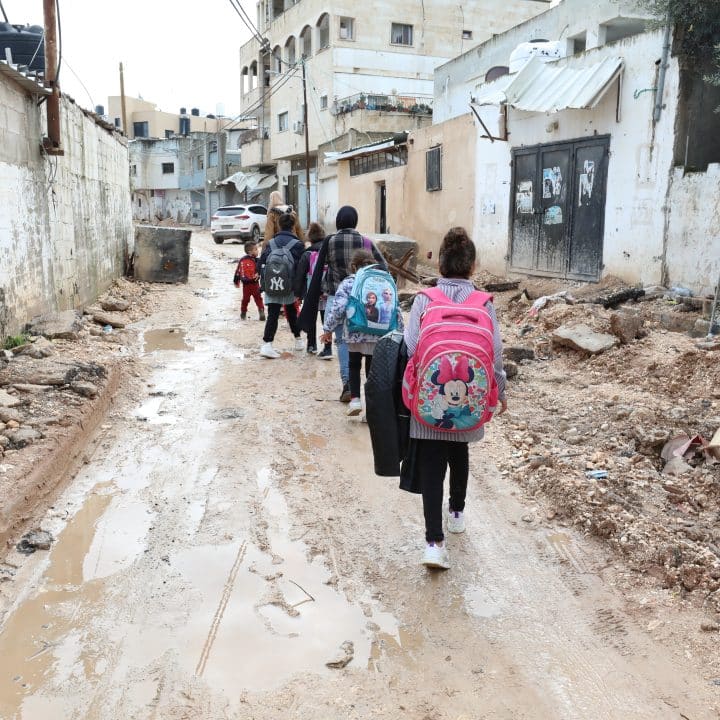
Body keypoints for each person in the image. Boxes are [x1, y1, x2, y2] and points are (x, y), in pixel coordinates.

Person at [403, 227, 507, 570]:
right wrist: (500, 393)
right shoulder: (485, 304)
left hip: (430, 401)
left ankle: (434, 544)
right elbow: (494, 356)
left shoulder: (424, 299)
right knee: (458, 452)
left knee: (432, 467)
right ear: (472, 267)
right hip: (470, 403)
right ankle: (457, 512)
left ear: (442, 265)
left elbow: (412, 347)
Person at [301, 205, 386, 403]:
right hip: (363, 301)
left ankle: (347, 384)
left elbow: (319, 265)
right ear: (355, 221)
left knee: (342, 342)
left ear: (338, 222)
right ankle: (367, 390)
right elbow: (384, 266)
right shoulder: (365, 241)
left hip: (336, 298)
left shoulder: (330, 241)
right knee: (365, 344)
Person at [320, 249, 402, 417]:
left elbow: (339, 308)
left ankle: (355, 400)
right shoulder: (386, 281)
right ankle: (370, 410)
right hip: (380, 334)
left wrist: (328, 329)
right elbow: (396, 309)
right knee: (372, 370)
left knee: (354, 365)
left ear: (353, 266)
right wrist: (401, 332)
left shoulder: (350, 281)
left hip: (355, 332)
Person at [258, 212, 305, 358]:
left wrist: (263, 283)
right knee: (291, 311)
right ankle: (298, 341)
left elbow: (260, 264)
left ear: (279, 225)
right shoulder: (298, 244)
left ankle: (267, 344)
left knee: (273, 313)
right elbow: (302, 269)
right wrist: (300, 290)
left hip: (272, 284)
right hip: (289, 285)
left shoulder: (270, 243)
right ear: (293, 226)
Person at [295, 222, 332, 357]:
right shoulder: (329, 251)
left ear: (310, 238)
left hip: (311, 292)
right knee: (326, 320)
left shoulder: (307, 254)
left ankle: (312, 346)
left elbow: (300, 275)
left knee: (311, 318)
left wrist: (298, 294)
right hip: (327, 292)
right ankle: (328, 348)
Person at [233, 240, 265, 321]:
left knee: (245, 300)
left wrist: (236, 281)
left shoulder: (242, 260)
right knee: (258, 298)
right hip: (255, 284)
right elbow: (261, 269)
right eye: (256, 249)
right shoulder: (257, 260)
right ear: (250, 252)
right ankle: (261, 311)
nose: (258, 251)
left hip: (246, 285)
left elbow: (238, 271)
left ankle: (243, 313)